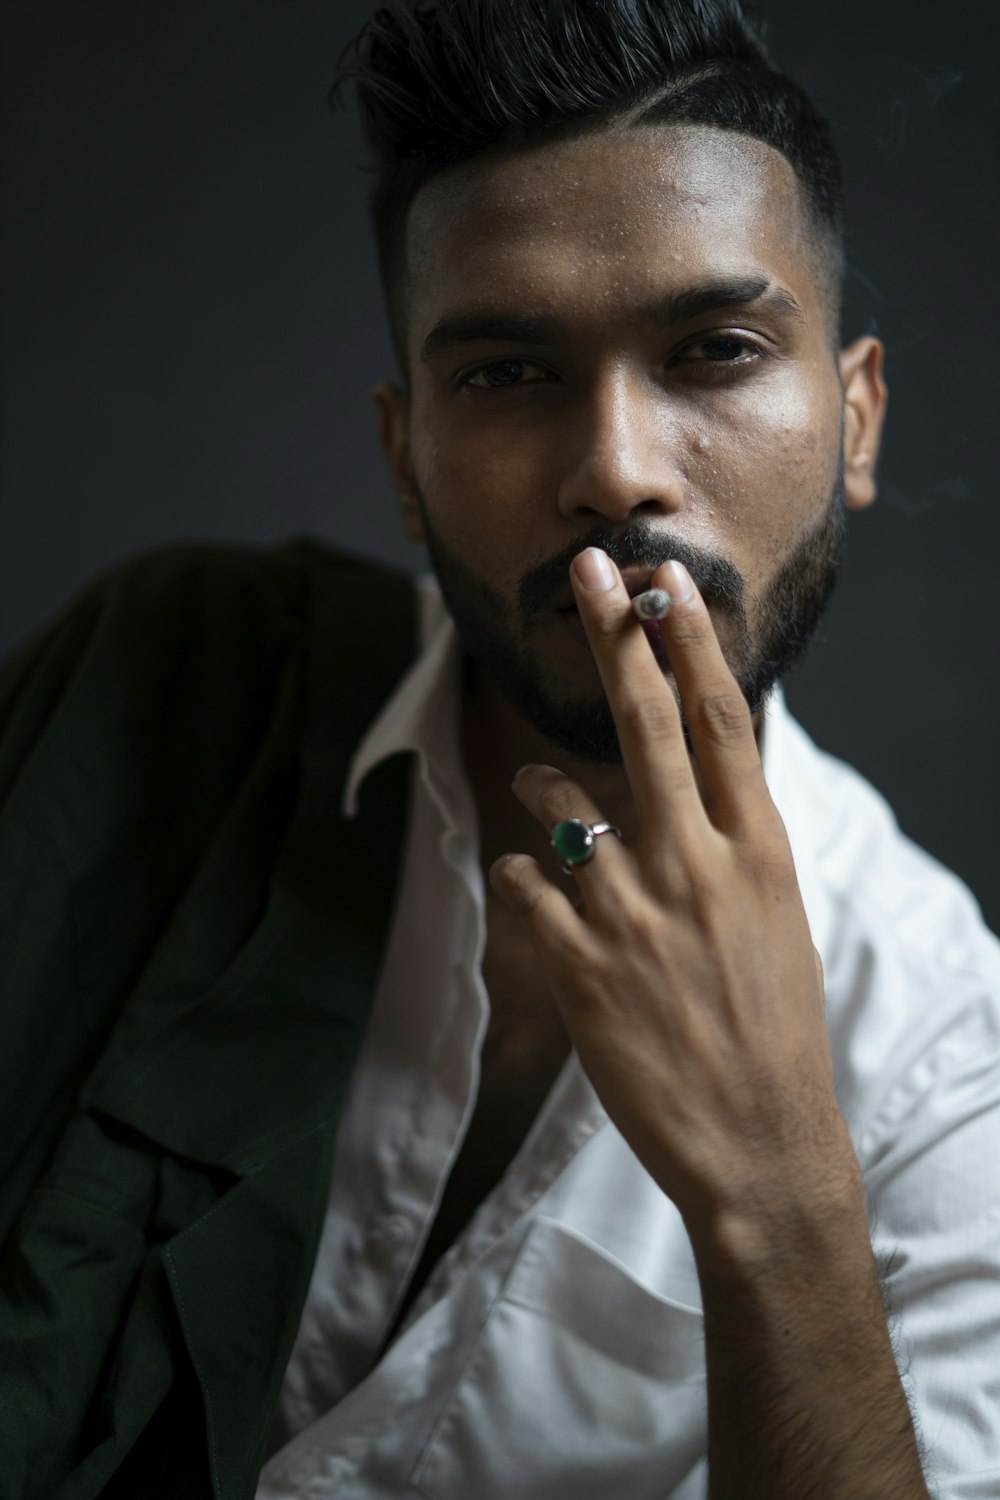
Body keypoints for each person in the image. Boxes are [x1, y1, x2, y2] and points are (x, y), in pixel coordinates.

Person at [0, 0, 997, 1496]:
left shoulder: (940, 1053)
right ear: (406, 462)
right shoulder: (177, 685)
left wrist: (782, 1198)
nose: (616, 469)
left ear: (853, 421)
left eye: (716, 350)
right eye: (509, 374)